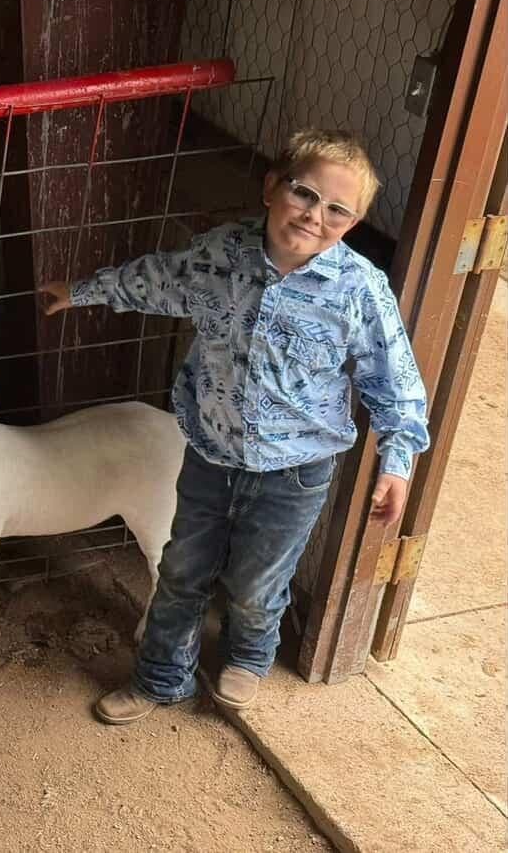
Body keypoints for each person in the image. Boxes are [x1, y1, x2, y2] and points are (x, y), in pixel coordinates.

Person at [39, 129, 430, 724]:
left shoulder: (360, 291)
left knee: (255, 584)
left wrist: (397, 464)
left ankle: (249, 654)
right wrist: (83, 290)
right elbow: (158, 279)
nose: (314, 215)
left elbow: (395, 383)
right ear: (273, 188)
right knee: (180, 572)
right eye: (304, 193)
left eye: (337, 210)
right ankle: (159, 677)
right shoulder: (221, 254)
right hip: (209, 453)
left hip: (295, 473)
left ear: (354, 222)